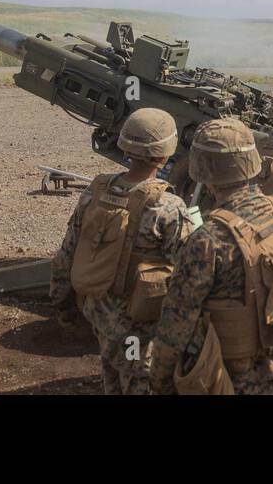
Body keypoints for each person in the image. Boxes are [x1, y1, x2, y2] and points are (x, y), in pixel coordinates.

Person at [149, 118, 273, 394]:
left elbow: (176, 323)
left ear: (201, 171)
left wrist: (160, 380)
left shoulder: (206, 239)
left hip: (228, 377)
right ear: (253, 162)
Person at [48, 108, 195, 394]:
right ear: (166, 154)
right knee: (137, 379)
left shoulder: (95, 191)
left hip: (100, 314)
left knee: (111, 373)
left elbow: (65, 255)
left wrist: (63, 304)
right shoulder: (168, 206)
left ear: (125, 145)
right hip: (139, 326)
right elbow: (189, 276)